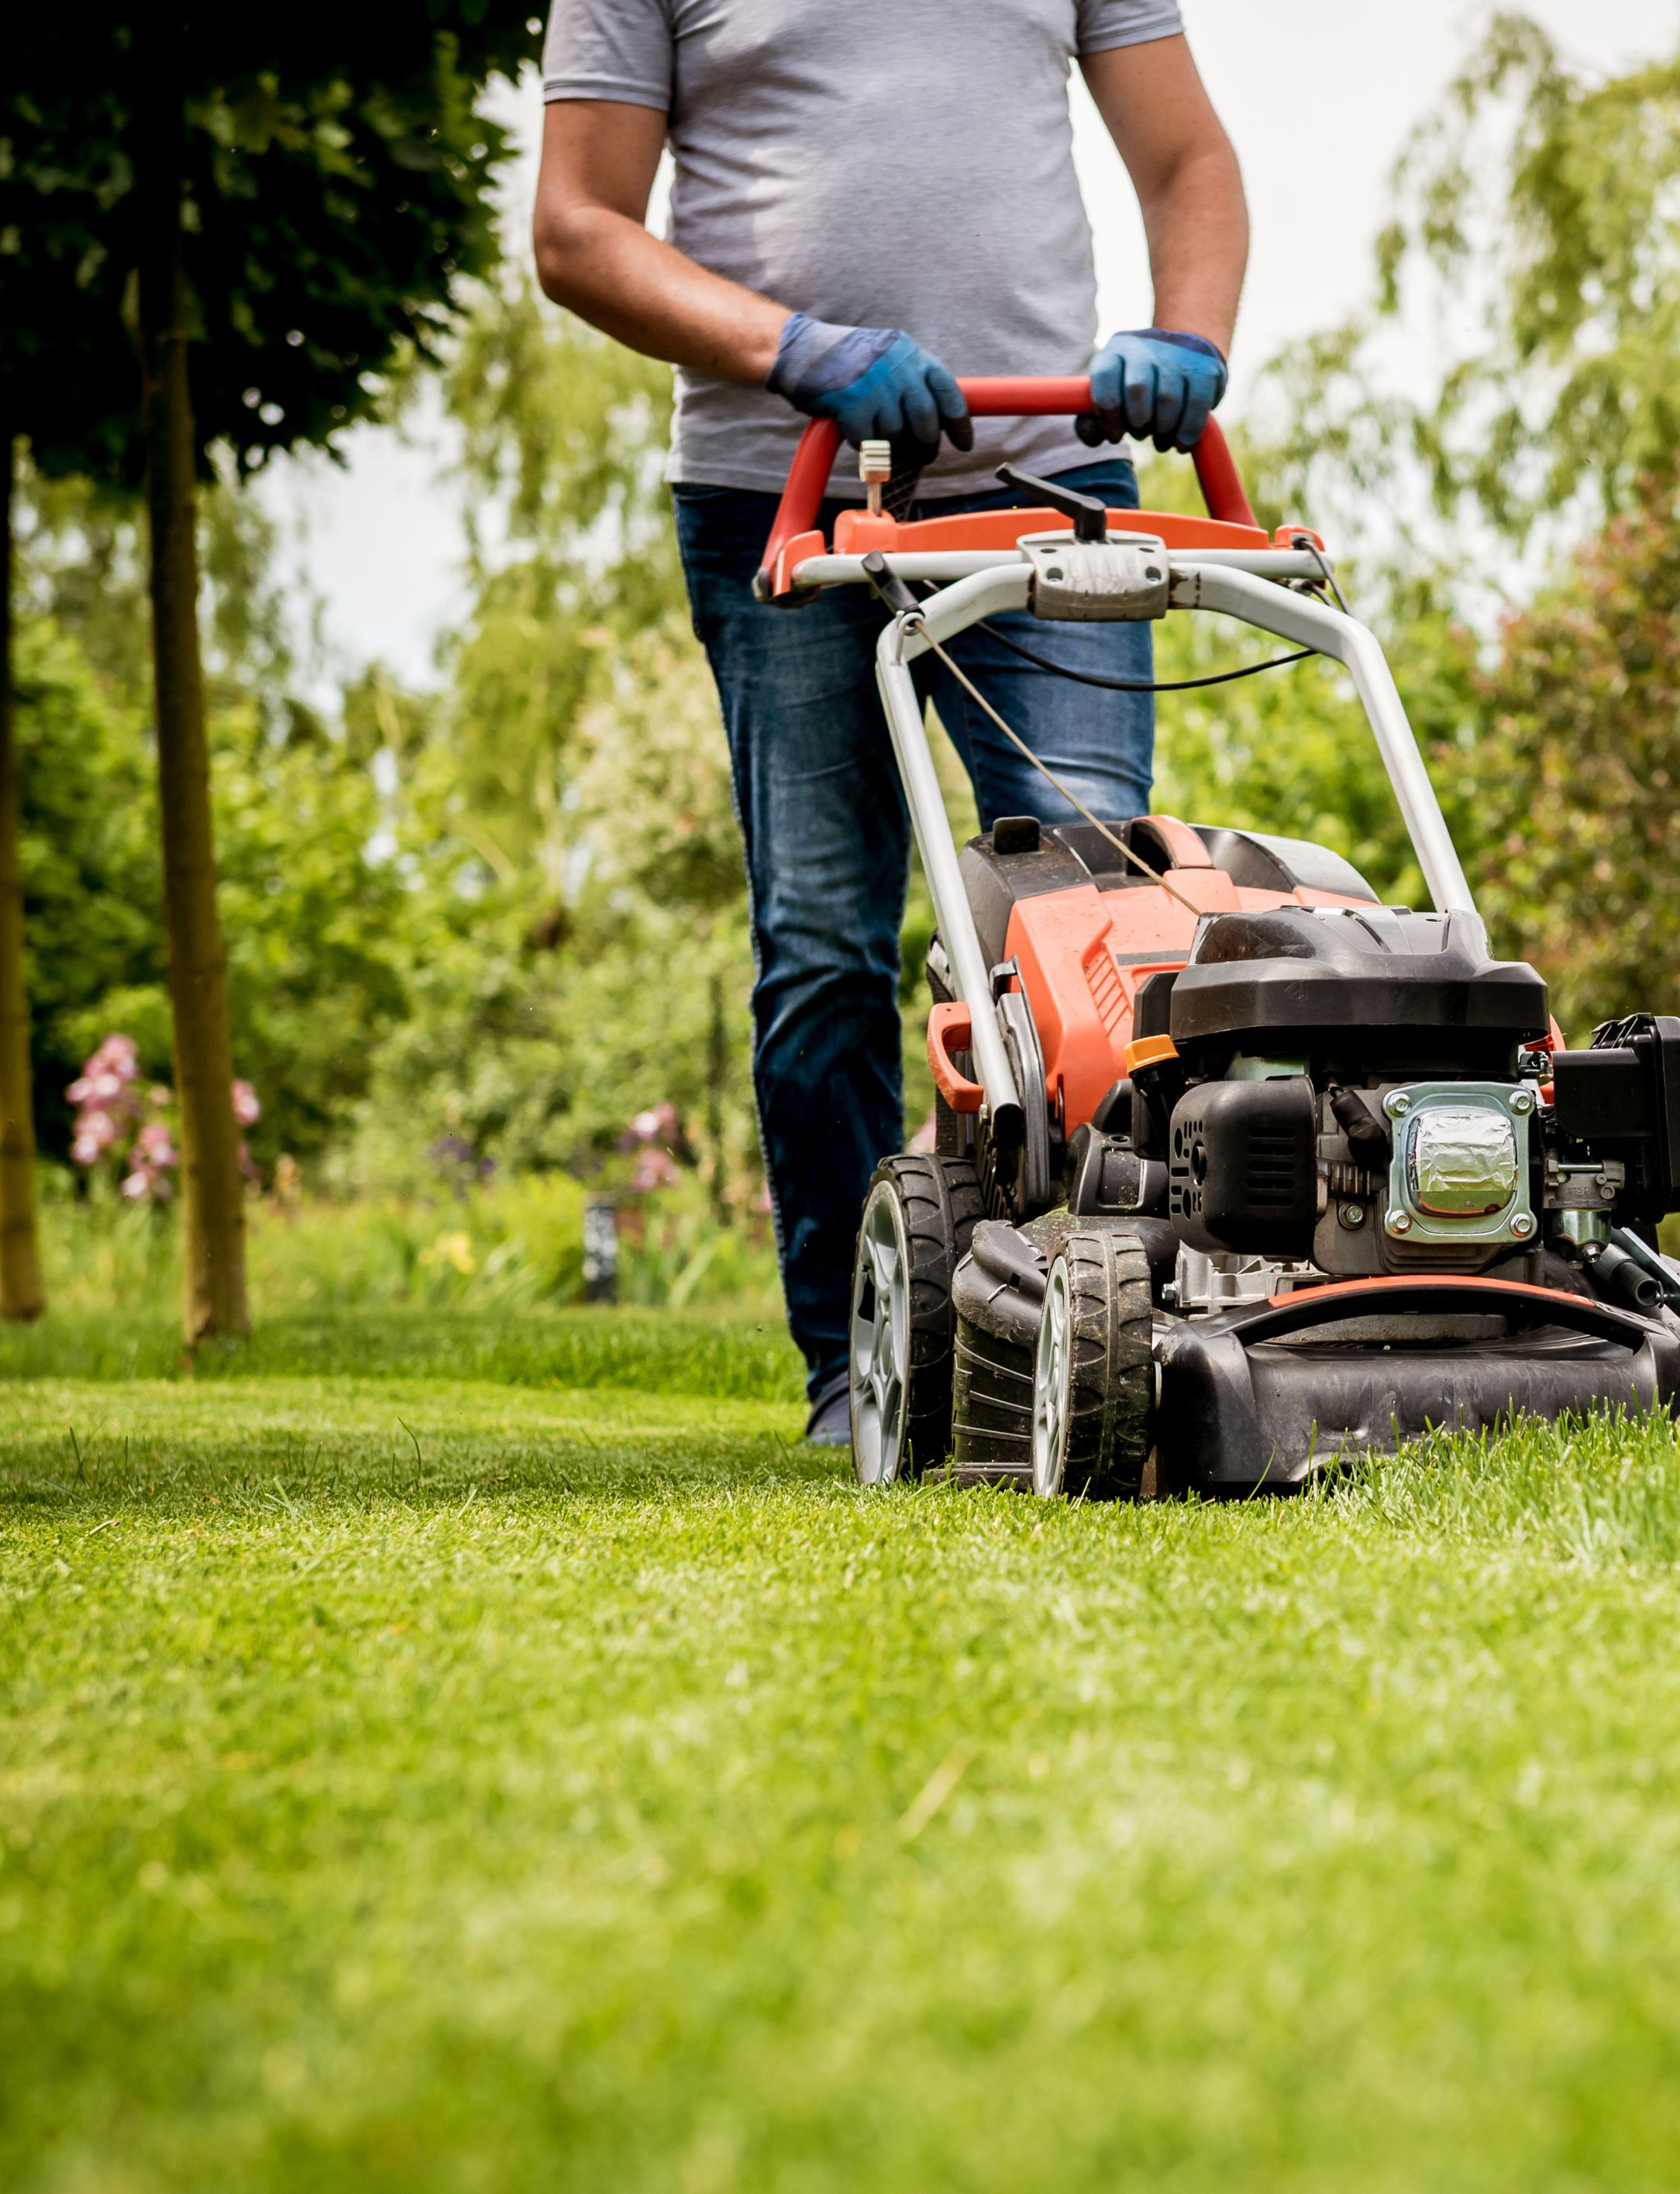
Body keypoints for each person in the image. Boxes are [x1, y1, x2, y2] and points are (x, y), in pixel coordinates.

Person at [532, 2, 1249, 1444]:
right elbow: (577, 229)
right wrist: (789, 345)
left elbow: (1187, 163)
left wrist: (1187, 330)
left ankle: (1121, 1331)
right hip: (781, 486)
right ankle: (862, 1371)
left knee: (1100, 939)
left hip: (1048, 482)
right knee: (822, 950)